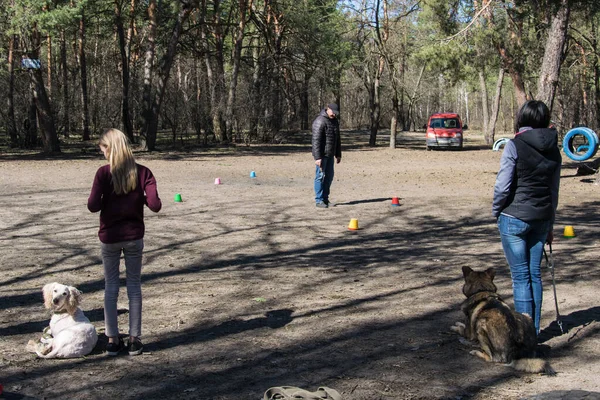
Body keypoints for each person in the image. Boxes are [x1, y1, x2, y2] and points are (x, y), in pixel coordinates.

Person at [87, 128, 162, 356]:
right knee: (134, 286)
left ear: (109, 148)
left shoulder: (102, 174)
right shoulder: (143, 173)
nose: (102, 154)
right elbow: (156, 205)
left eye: (102, 149)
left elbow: (92, 205)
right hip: (133, 237)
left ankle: (112, 339)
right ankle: (134, 339)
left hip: (109, 238)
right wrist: (144, 198)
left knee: (111, 286)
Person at [492, 100, 561, 334]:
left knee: (521, 278)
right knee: (534, 276)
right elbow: (554, 190)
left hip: (513, 217)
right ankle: (535, 331)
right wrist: (550, 222)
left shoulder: (514, 145)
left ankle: (524, 334)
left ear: (523, 118)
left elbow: (503, 185)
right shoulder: (554, 148)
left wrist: (496, 210)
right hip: (541, 218)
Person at [312, 103, 342, 208]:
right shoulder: (320, 121)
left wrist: (338, 154)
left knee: (329, 177)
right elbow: (316, 141)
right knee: (320, 177)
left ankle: (325, 198)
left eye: (335, 113)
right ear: (328, 109)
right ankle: (319, 200)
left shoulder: (335, 122)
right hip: (322, 155)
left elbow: (337, 139)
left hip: (330, 154)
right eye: (333, 112)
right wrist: (317, 157)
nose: (334, 114)